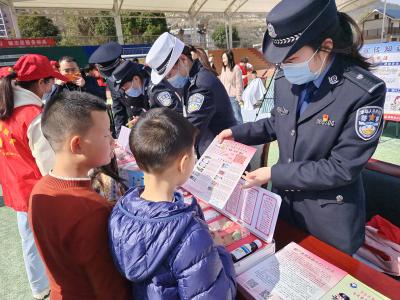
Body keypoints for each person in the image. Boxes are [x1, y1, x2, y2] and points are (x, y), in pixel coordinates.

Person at [218, 0, 386, 255]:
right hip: (286, 210)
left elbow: (341, 168)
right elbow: (279, 122)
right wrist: (237, 132)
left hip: (329, 222)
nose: (284, 66)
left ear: (326, 46)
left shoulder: (362, 92)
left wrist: (274, 173)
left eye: (292, 58)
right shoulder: (288, 78)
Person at [108, 107, 236, 300]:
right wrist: (220, 252)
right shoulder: (189, 235)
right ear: (183, 163)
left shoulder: (121, 208)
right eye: (193, 153)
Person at [30, 91, 131, 299]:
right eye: (106, 134)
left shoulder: (40, 190)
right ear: (77, 145)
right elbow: (110, 289)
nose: (113, 141)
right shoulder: (91, 210)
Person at [0, 54, 66, 299]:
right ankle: (44, 286)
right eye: (50, 82)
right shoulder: (32, 115)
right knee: (44, 240)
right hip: (36, 188)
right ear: (40, 83)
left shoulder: (5, 106)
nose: (51, 88)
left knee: (28, 238)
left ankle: (38, 285)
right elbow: (48, 163)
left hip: (15, 184)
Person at [146, 32, 237, 156]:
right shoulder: (192, 79)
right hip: (211, 151)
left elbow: (189, 129)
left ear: (183, 59)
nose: (169, 80)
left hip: (224, 156)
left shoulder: (201, 85)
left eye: (169, 75)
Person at [89, 42, 127, 136]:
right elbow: (118, 110)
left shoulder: (142, 73)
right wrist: (120, 136)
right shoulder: (111, 81)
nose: (114, 77)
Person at [111, 60, 151, 126]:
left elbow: (162, 115)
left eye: (126, 87)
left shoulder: (153, 89)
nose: (126, 91)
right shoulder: (140, 90)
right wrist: (141, 118)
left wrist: (144, 119)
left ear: (136, 79)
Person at [220, 50, 244, 124]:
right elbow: (222, 83)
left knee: (237, 117)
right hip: (225, 97)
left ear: (229, 57)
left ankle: (241, 133)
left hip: (234, 98)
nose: (223, 60)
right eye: (222, 58)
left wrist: (238, 97)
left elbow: (239, 84)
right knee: (227, 118)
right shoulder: (223, 69)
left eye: (224, 58)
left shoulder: (236, 68)